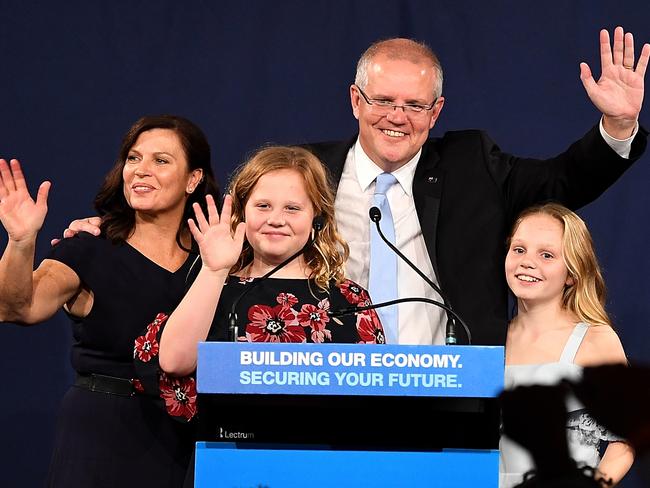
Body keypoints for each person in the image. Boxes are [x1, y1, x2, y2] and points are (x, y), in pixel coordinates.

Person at [60, 27, 650, 346]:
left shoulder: (474, 162)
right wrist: (115, 232)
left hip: (444, 390)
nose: (397, 115)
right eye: (382, 100)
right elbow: (220, 234)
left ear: (436, 110)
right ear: (354, 100)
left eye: (414, 104)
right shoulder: (304, 172)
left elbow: (564, 179)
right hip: (317, 389)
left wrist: (618, 126)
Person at [0, 115, 220, 487]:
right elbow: (17, 307)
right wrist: (21, 242)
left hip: (188, 442)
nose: (141, 171)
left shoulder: (214, 257)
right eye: (133, 159)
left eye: (161, 161)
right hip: (102, 437)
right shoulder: (89, 247)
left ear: (193, 179)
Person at [499, 203, 634, 487]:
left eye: (546, 255)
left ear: (572, 273)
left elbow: (625, 441)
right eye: (519, 249)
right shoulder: (489, 337)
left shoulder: (596, 339)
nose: (527, 262)